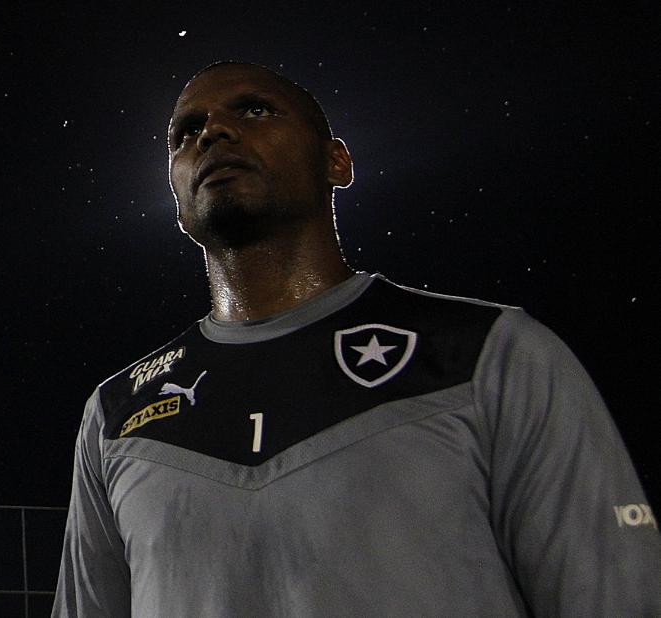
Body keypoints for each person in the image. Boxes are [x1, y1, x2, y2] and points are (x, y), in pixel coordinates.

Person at [52, 61, 661, 617]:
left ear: (336, 162)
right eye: (187, 133)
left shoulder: (489, 355)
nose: (213, 132)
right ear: (179, 205)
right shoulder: (117, 416)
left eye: (255, 110)